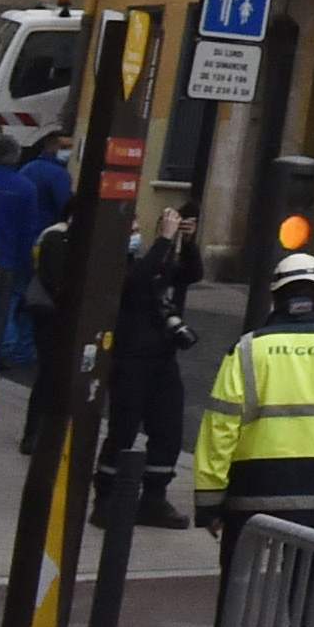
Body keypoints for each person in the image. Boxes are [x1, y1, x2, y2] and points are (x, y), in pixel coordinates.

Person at [193, 247, 314, 536]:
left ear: (275, 297)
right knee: (304, 579)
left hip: (250, 490)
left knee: (239, 579)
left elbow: (220, 427)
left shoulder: (246, 349)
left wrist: (209, 502)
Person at [112, 208, 200, 524]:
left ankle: (154, 497)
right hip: (130, 357)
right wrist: (163, 240)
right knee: (123, 429)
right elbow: (136, 282)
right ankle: (107, 497)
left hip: (163, 358)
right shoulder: (117, 265)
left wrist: (187, 242)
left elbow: (191, 274)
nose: (137, 231)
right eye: (131, 227)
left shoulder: (157, 265)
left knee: (168, 429)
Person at [0, 144, 65, 371]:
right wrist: (27, 261)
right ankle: (0, 353)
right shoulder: (25, 187)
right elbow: (28, 228)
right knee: (5, 309)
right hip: (9, 258)